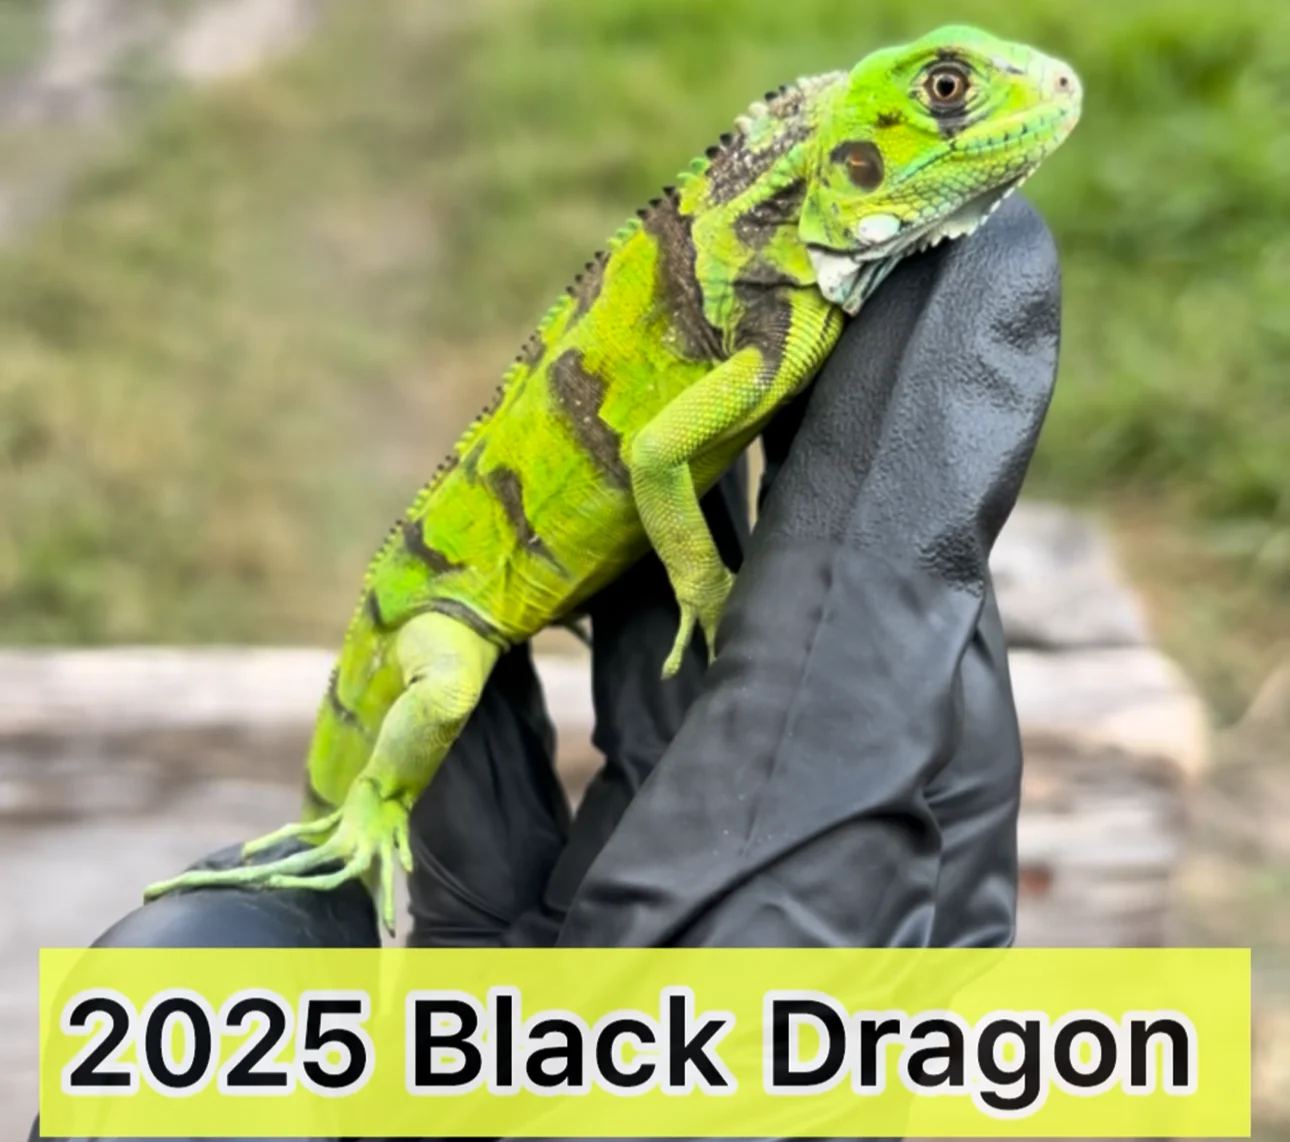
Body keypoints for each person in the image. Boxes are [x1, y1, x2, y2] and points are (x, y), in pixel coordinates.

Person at [29, 191, 1062, 1142]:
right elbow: (655, 460)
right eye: (946, 92)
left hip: (527, 577)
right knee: (449, 693)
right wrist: (702, 583)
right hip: (447, 605)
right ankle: (368, 805)